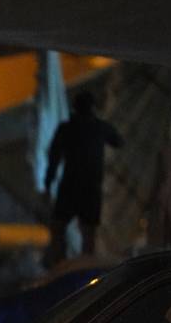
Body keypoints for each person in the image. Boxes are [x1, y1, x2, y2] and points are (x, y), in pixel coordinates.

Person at [44, 91, 123, 266]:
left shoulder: (66, 128)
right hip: (91, 188)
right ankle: (85, 271)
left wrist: (48, 183)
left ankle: (59, 266)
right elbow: (119, 141)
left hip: (70, 186)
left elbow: (54, 157)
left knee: (59, 230)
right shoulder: (100, 127)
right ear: (93, 108)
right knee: (88, 236)